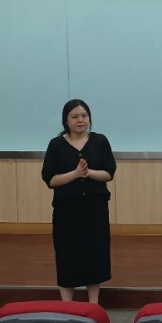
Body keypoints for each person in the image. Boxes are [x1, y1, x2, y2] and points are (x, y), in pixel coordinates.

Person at [41, 99, 116, 304]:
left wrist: (88, 172)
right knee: (67, 254)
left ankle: (94, 304)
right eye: (74, 117)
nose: (80, 120)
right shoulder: (56, 145)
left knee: (95, 254)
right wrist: (75, 174)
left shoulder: (100, 141)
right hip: (67, 211)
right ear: (66, 121)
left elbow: (109, 173)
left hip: (95, 209)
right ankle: (67, 306)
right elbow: (50, 179)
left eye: (84, 116)